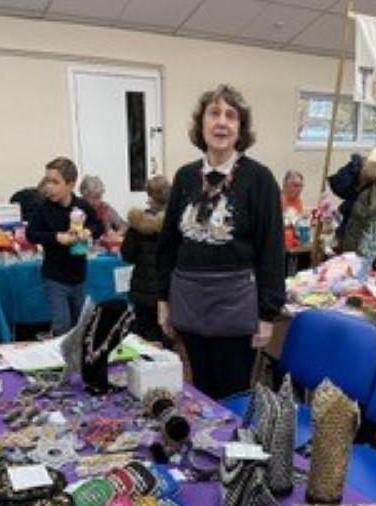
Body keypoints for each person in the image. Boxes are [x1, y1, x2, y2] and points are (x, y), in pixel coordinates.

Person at [157, 84, 285, 399]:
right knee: (198, 391)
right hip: (189, 303)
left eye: (231, 116)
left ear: (241, 128)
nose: (222, 122)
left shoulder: (260, 179)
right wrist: (163, 299)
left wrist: (267, 314)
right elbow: (169, 244)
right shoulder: (185, 177)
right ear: (201, 124)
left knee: (231, 396)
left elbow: (272, 250)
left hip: (236, 307)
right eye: (214, 113)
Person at [27, 157, 103, 336]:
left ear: (70, 184)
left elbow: (98, 225)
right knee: (62, 326)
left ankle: (77, 362)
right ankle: (60, 360)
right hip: (55, 278)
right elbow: (31, 234)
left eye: (55, 182)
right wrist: (56, 237)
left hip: (78, 277)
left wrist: (88, 232)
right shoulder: (42, 207)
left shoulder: (82, 206)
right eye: (47, 181)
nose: (49, 187)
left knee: (81, 325)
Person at [121, 174, 170, 342]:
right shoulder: (177, 222)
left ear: (148, 194)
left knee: (142, 338)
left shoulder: (137, 224)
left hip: (141, 290)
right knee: (166, 337)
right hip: (167, 289)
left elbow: (127, 255)